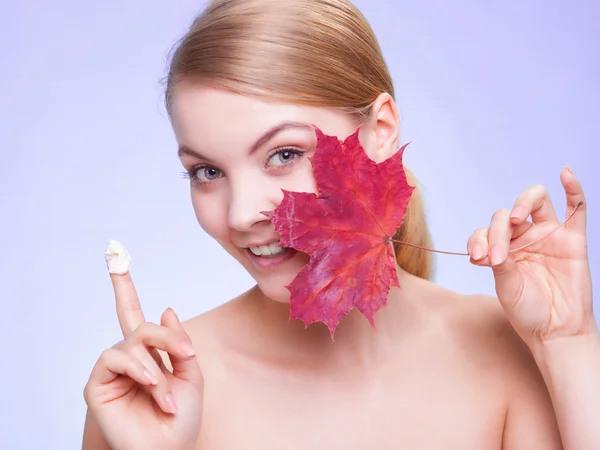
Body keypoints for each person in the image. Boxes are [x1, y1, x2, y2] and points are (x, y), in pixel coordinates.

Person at [82, 0, 598, 448]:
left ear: (381, 131)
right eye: (207, 171)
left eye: (284, 154)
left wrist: (569, 342)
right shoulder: (155, 393)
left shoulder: (505, 351)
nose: (241, 214)